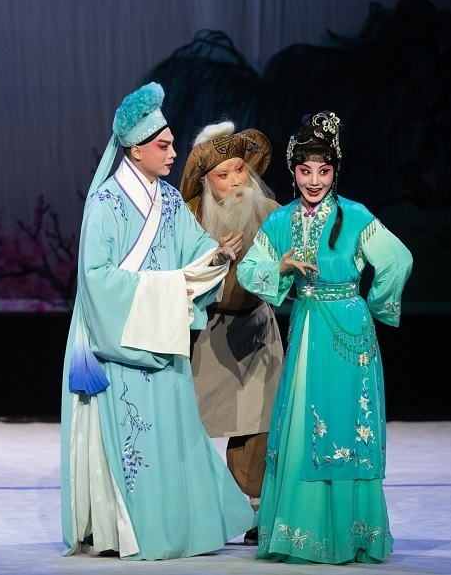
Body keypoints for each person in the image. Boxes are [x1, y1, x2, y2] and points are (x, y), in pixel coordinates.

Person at [59, 82, 254, 561]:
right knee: (134, 440)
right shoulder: (105, 204)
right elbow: (96, 278)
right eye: (163, 146)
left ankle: (176, 526)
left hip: (162, 336)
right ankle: (126, 530)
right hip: (120, 342)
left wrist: (216, 255)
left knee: (173, 433)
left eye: (170, 144)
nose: (172, 153)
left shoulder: (167, 199)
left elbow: (194, 248)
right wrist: (169, 288)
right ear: (135, 149)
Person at [236, 110, 413, 564]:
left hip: (349, 335)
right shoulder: (281, 222)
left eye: (324, 170)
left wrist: (370, 307)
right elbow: (248, 270)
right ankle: (304, 533)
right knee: (304, 425)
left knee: (348, 426)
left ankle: (350, 533)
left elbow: (398, 259)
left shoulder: (355, 216)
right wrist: (280, 266)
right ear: (293, 171)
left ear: (335, 171)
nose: (314, 180)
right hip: (308, 326)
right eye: (304, 170)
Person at [179, 121, 284, 546]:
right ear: (206, 182)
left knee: (258, 423)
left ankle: (260, 510)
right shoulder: (188, 219)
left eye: (240, 169)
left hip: (256, 329)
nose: (237, 181)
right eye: (223, 174)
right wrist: (212, 259)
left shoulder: (272, 213)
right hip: (205, 332)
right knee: (190, 423)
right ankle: (193, 510)